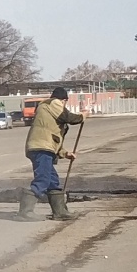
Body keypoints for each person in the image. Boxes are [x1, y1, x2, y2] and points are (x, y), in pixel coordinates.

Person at [19, 86, 85, 221]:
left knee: (53, 181)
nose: (64, 105)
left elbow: (53, 137)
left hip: (44, 147)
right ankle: (25, 212)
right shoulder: (52, 103)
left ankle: (60, 212)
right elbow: (68, 117)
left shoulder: (48, 111)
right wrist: (81, 116)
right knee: (43, 178)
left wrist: (65, 153)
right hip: (41, 148)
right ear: (63, 100)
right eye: (64, 103)